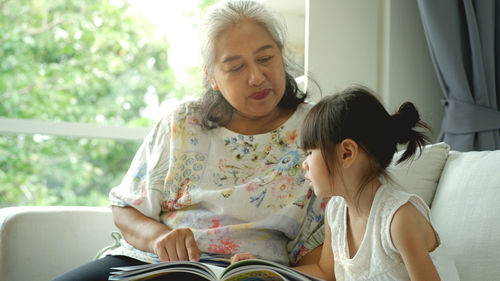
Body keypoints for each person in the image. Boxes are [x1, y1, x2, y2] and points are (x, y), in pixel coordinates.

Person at [51, 1, 325, 280]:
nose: (256, 77)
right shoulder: (182, 122)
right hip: (151, 264)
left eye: (265, 59)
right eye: (236, 67)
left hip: (250, 274)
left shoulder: (318, 129)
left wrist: (272, 272)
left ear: (281, 54)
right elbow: (126, 209)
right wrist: (160, 239)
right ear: (212, 77)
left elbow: (321, 251)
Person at [293, 86, 460, 280]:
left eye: (310, 153)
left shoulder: (398, 219)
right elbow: (326, 272)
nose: (305, 164)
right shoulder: (335, 211)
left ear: (346, 153)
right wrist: (267, 273)